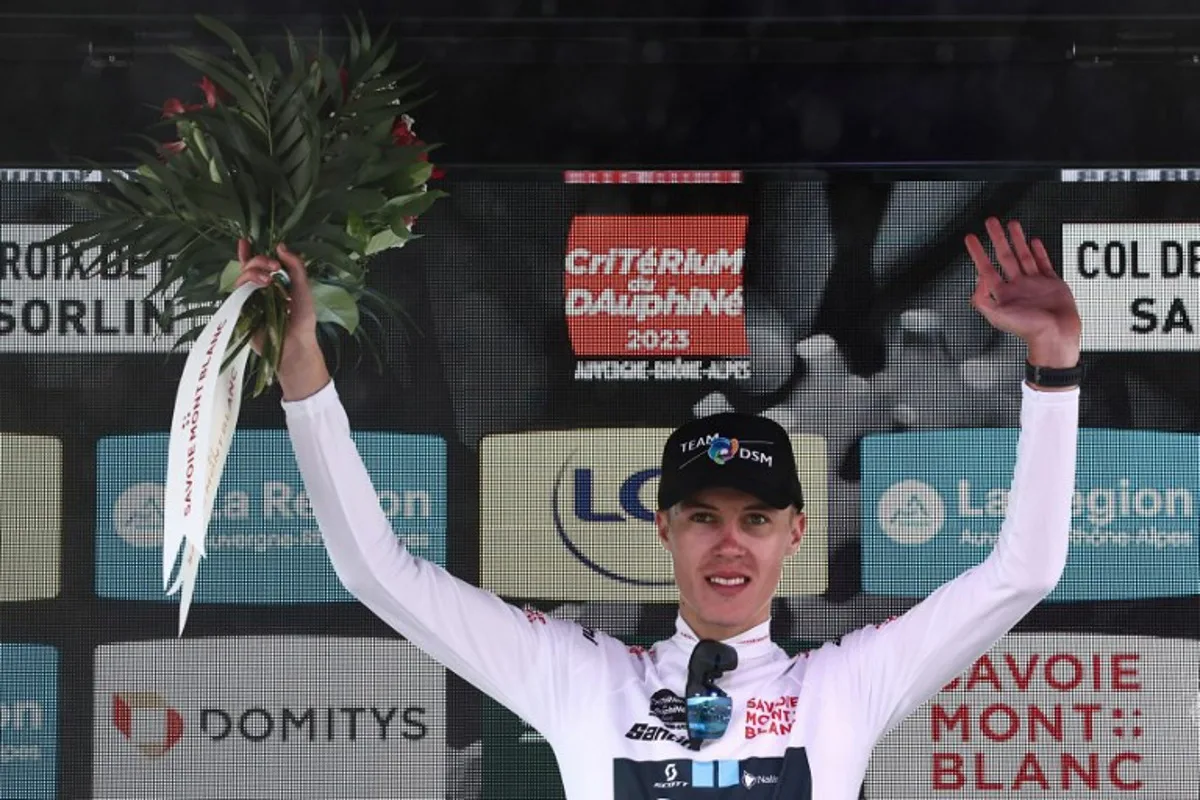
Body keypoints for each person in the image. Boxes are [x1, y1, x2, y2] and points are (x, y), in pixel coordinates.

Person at [236, 216, 1082, 799]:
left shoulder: (842, 689)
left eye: (755, 519)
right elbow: (376, 572)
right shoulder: (583, 680)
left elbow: (1024, 573)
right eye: (704, 515)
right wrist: (305, 373)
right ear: (664, 528)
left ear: (796, 533)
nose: (728, 542)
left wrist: (1053, 364)